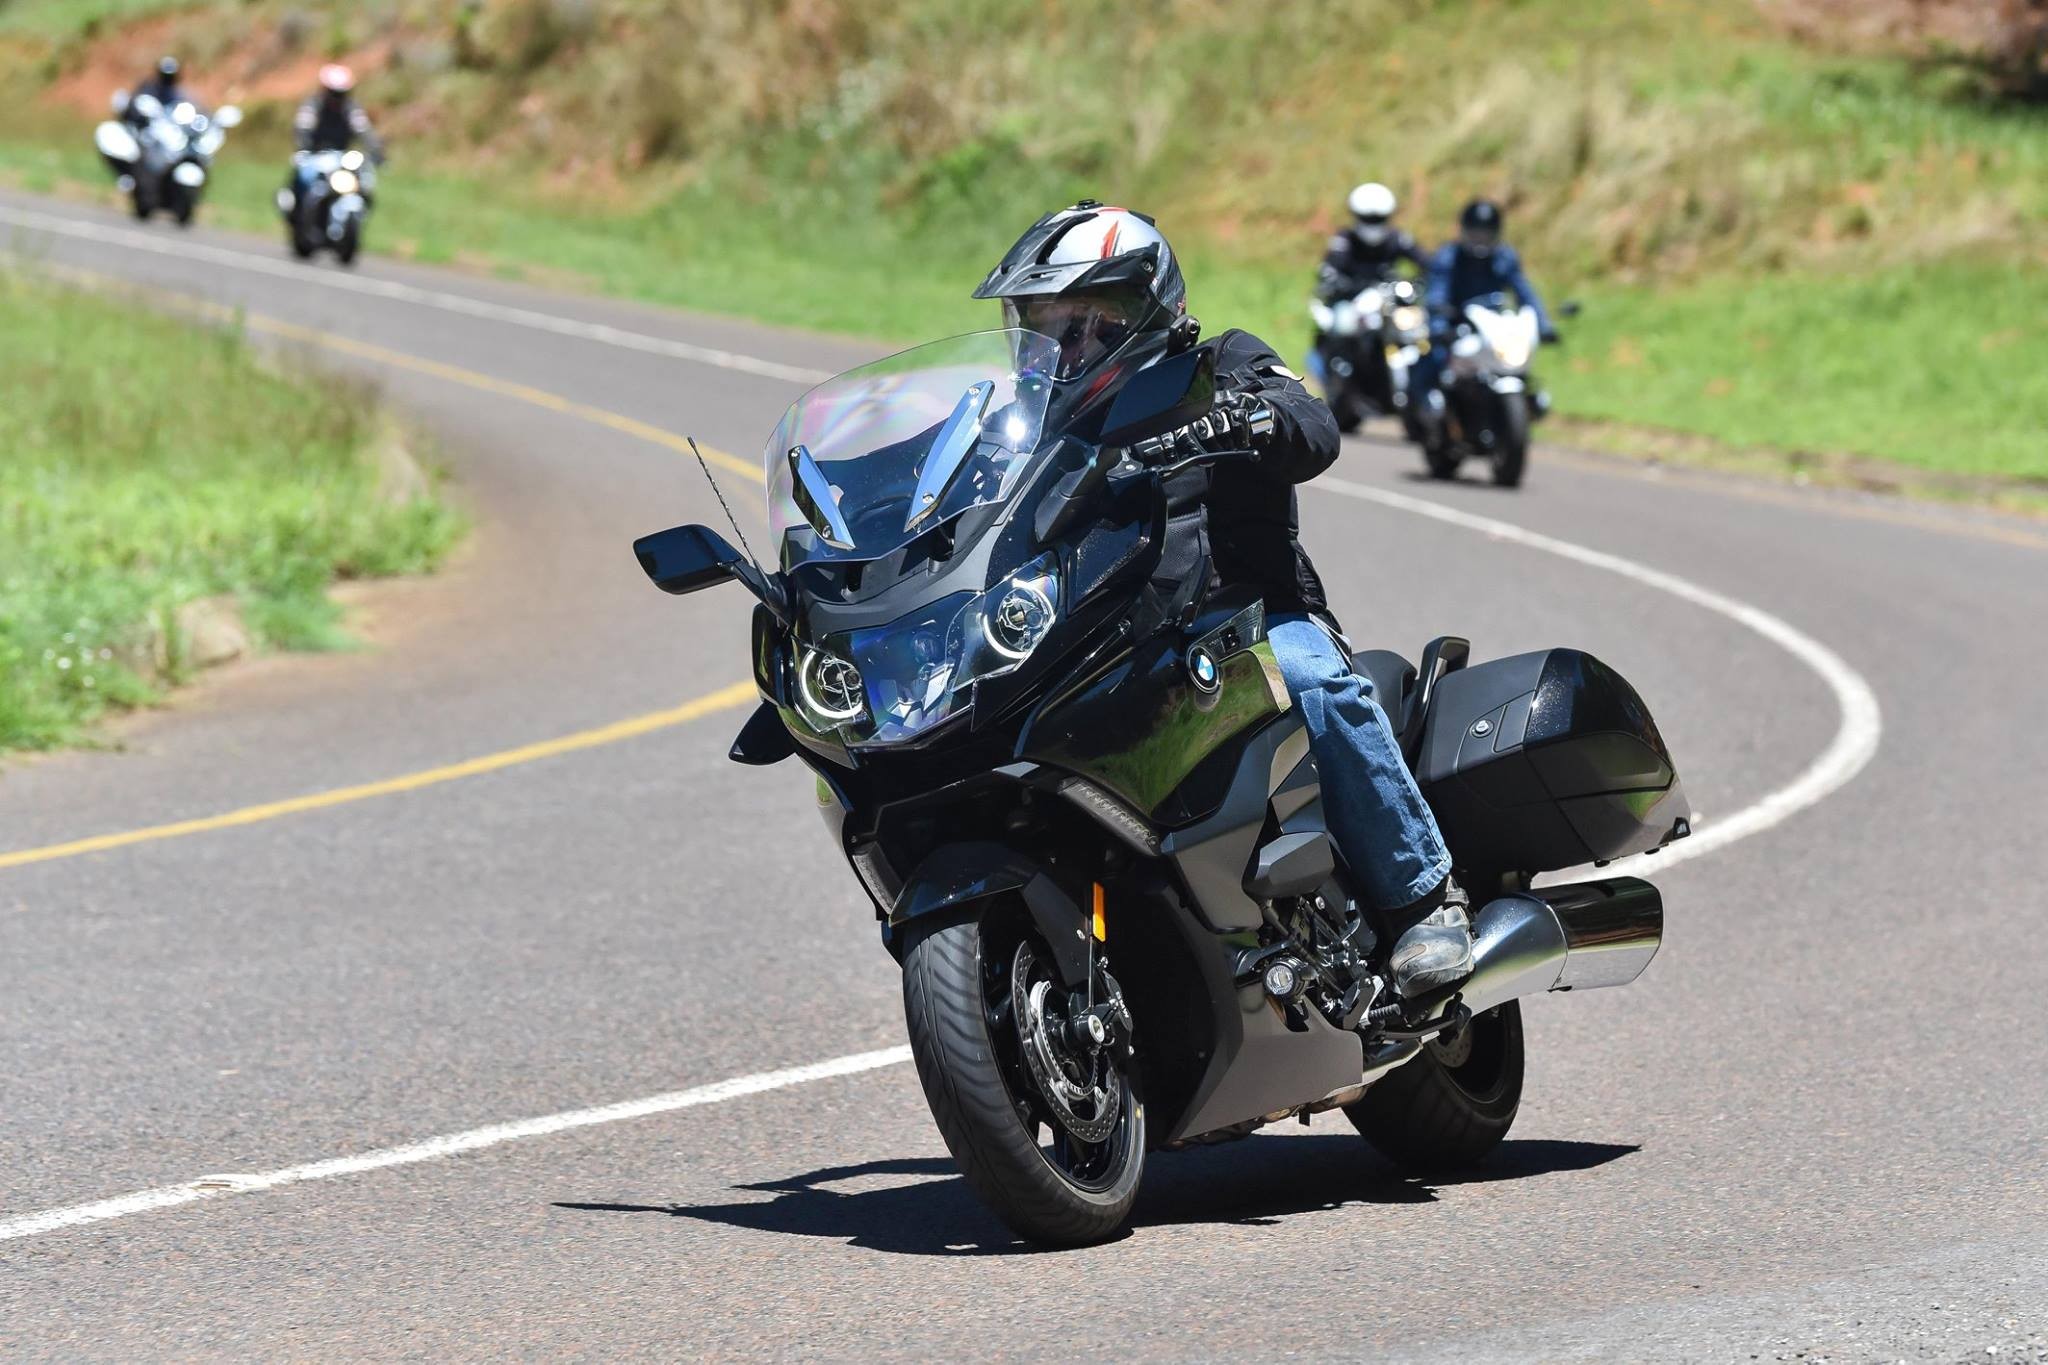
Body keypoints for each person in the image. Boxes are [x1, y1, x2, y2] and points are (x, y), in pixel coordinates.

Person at [973, 202, 1473, 998]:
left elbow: (1314, 427)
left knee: (1313, 680)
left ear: (1137, 310)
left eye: (1079, 323)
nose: (1059, 347)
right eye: (1041, 326)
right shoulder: (1038, 431)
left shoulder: (1219, 363)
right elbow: (988, 527)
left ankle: (1423, 900)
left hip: (1249, 624)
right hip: (1112, 652)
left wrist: (1248, 415)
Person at [1411, 198, 1557, 446]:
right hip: (1456, 326)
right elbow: (1437, 294)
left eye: (1485, 233)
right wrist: (1439, 327)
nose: (1480, 238)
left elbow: (1525, 293)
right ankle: (1429, 415)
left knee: (1517, 366)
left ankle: (1524, 408)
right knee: (1428, 367)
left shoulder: (1505, 257)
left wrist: (1543, 324)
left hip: (1491, 326)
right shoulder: (1448, 257)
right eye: (1475, 232)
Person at [283, 65, 383, 213]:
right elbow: (302, 127)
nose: (337, 98)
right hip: (315, 155)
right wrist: (303, 147)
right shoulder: (313, 105)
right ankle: (296, 211)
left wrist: (376, 150)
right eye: (334, 93)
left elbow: (364, 129)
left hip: (342, 157)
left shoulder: (351, 108)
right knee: (302, 180)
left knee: (364, 183)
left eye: (341, 94)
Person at [1316, 182, 1427, 299]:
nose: (1372, 224)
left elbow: (1427, 264)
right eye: (1368, 219)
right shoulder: (1344, 241)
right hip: (1350, 300)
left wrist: (1415, 284)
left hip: (1387, 301)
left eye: (1378, 219)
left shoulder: (1397, 239)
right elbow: (1328, 271)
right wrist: (1343, 285)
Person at [125, 56, 189, 123]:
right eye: (165, 76)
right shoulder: (149, 88)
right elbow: (136, 101)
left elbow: (186, 105)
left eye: (170, 77)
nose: (167, 80)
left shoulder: (179, 93)